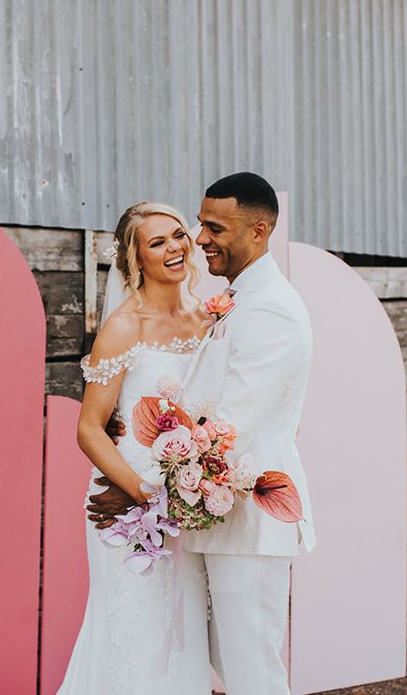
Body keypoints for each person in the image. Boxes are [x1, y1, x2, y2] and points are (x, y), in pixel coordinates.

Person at [88, 172, 315, 695]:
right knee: (228, 664)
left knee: (254, 673)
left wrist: (142, 498)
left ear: (258, 232)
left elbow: (225, 429)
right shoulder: (234, 300)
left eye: (213, 227)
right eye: (201, 224)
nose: (199, 238)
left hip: (248, 521)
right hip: (209, 520)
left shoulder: (272, 310)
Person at [57, 203, 212, 694]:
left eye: (178, 236)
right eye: (157, 243)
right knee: (132, 628)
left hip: (188, 499)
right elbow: (88, 428)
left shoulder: (206, 317)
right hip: (129, 503)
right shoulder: (126, 325)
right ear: (135, 260)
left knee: (179, 628)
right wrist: (144, 493)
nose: (174, 249)